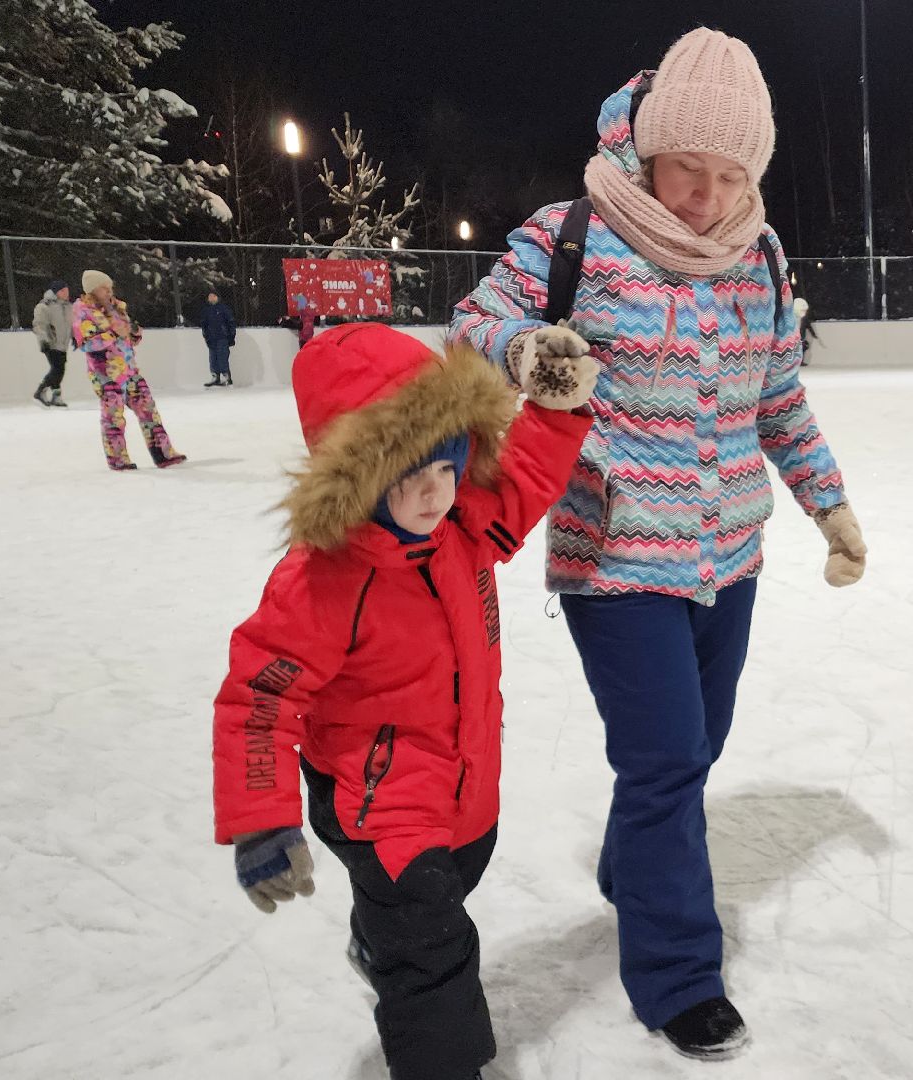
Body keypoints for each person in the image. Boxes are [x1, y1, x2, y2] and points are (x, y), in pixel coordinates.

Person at [450, 27, 868, 1060]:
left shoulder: (756, 257)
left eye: (732, 177)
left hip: (730, 560)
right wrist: (530, 350)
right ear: (649, 150)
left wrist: (830, 504)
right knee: (668, 758)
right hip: (614, 559)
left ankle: (634, 867)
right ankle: (676, 973)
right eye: (690, 169)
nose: (705, 198)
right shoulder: (573, 237)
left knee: (690, 753)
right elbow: (469, 324)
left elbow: (778, 403)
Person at [212, 323, 598, 1080]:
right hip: (376, 800)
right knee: (433, 955)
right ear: (355, 478)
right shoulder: (323, 580)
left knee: (454, 883)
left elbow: (522, 480)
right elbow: (258, 698)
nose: (433, 493)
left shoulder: (462, 530)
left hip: (463, 785)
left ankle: (380, 943)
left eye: (446, 466)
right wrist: (261, 817)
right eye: (405, 476)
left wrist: (555, 410)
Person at [72, 270, 184, 471]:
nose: (108, 291)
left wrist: (134, 333)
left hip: (130, 370)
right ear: (92, 290)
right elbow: (87, 344)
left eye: (109, 288)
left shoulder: (117, 307)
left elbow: (128, 337)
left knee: (149, 410)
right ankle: (117, 459)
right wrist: (113, 334)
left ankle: (163, 453)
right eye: (103, 288)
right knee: (114, 416)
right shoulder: (83, 312)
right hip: (105, 374)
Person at [31, 280, 72, 406]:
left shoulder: (67, 306)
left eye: (67, 290)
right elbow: (39, 324)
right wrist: (43, 340)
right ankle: (40, 391)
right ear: (56, 292)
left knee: (59, 369)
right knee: (58, 369)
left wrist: (75, 336)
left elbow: (70, 324)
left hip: (63, 343)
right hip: (51, 342)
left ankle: (56, 396)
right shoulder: (45, 306)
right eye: (63, 291)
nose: (66, 293)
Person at [200, 289, 236, 387]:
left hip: (222, 337)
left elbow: (231, 322)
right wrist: (206, 336)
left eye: (213, 296)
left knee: (222, 357)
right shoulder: (206, 310)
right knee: (213, 358)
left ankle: (226, 377)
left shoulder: (223, 308)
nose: (211, 298)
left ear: (217, 297)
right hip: (211, 338)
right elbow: (204, 324)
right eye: (209, 296)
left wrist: (231, 336)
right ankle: (215, 376)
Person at [794, 296, 821, 365]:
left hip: (801, 337)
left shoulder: (804, 319)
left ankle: (800, 361)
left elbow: (809, 327)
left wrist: (814, 335)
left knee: (802, 348)